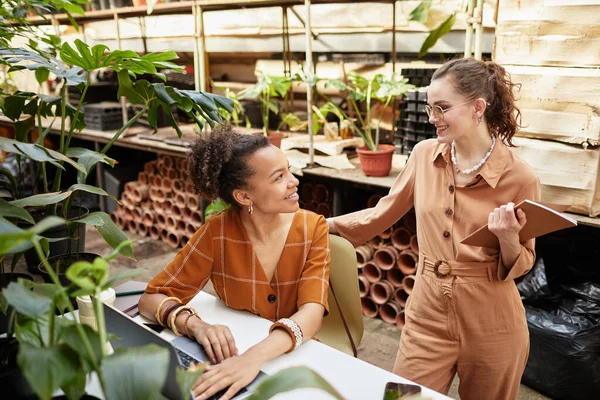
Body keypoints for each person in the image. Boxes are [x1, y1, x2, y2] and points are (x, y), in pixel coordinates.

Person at [328, 58, 539, 400]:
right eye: (430, 108)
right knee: (403, 396)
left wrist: (508, 238)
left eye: (442, 108)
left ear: (477, 108)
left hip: (492, 321)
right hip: (427, 312)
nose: (431, 118)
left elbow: (523, 263)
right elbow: (383, 213)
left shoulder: (521, 177)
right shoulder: (424, 155)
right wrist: (321, 225)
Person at [138, 125, 330, 400]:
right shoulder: (217, 233)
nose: (294, 181)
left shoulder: (313, 228)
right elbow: (152, 297)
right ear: (244, 196)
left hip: (294, 357)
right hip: (233, 354)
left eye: (289, 169)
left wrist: (253, 358)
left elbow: (311, 314)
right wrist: (196, 326)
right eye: (279, 177)